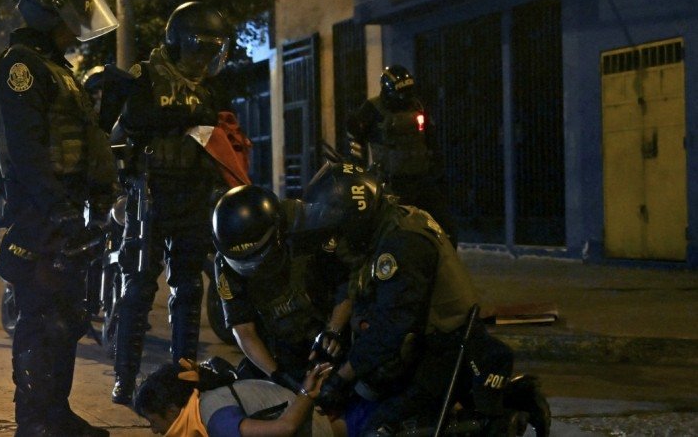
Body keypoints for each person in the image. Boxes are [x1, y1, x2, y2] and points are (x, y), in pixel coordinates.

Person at [301, 162, 514, 435]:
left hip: (446, 350)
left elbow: (390, 329)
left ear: (353, 218)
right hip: (420, 346)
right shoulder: (383, 227)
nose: (335, 236)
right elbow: (353, 284)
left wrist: (340, 380)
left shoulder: (402, 245)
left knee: (379, 429)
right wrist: (333, 333)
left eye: (338, 227)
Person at [0, 0, 119, 435]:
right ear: (49, 14)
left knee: (67, 321)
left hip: (65, 211)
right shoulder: (20, 67)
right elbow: (27, 152)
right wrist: (59, 212)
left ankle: (55, 414)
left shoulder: (58, 69)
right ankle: (35, 423)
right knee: (41, 323)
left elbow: (77, 143)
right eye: (71, 15)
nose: (77, 24)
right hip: (40, 215)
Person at [109, 1, 233, 405]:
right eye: (197, 49)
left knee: (188, 288)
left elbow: (213, 131)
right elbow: (135, 120)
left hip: (192, 194)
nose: (202, 59)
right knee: (139, 287)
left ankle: (183, 375)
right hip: (150, 194)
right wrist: (183, 116)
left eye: (210, 51)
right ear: (178, 43)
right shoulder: (146, 76)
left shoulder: (209, 88)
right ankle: (124, 378)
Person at [211, 185, 350, 391]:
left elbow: (347, 285)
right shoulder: (226, 261)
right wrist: (278, 375)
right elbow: (243, 329)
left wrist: (334, 331)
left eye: (256, 257)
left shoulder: (309, 227)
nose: (252, 267)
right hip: (282, 341)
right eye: (243, 262)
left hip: (332, 325)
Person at [347, 65, 458, 247]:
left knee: (446, 228)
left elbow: (430, 139)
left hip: (422, 179)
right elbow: (354, 131)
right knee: (389, 231)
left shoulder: (417, 106)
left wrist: (437, 167)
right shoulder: (372, 109)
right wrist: (357, 164)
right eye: (401, 92)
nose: (405, 97)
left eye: (408, 91)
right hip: (391, 183)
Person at [133, 358, 339, 436]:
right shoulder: (201, 409)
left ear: (171, 410)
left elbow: (286, 428)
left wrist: (306, 393)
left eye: (154, 421)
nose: (154, 431)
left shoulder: (214, 418)